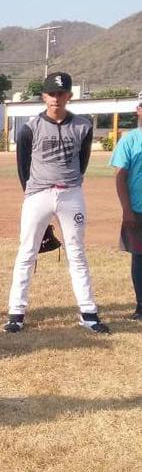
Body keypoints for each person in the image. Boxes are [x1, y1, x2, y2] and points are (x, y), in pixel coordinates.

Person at [4, 72, 109, 334]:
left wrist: (69, 183)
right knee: (27, 251)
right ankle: (16, 313)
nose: (56, 98)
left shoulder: (83, 126)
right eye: (51, 94)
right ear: (44, 96)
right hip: (38, 194)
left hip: (71, 193)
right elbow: (23, 167)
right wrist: (32, 194)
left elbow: (82, 161)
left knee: (77, 252)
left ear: (69, 96)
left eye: (61, 94)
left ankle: (88, 312)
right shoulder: (30, 127)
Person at [109, 96, 142, 320]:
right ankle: (141, 307)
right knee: (139, 257)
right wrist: (127, 211)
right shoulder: (130, 140)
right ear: (138, 109)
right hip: (138, 211)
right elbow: (120, 178)